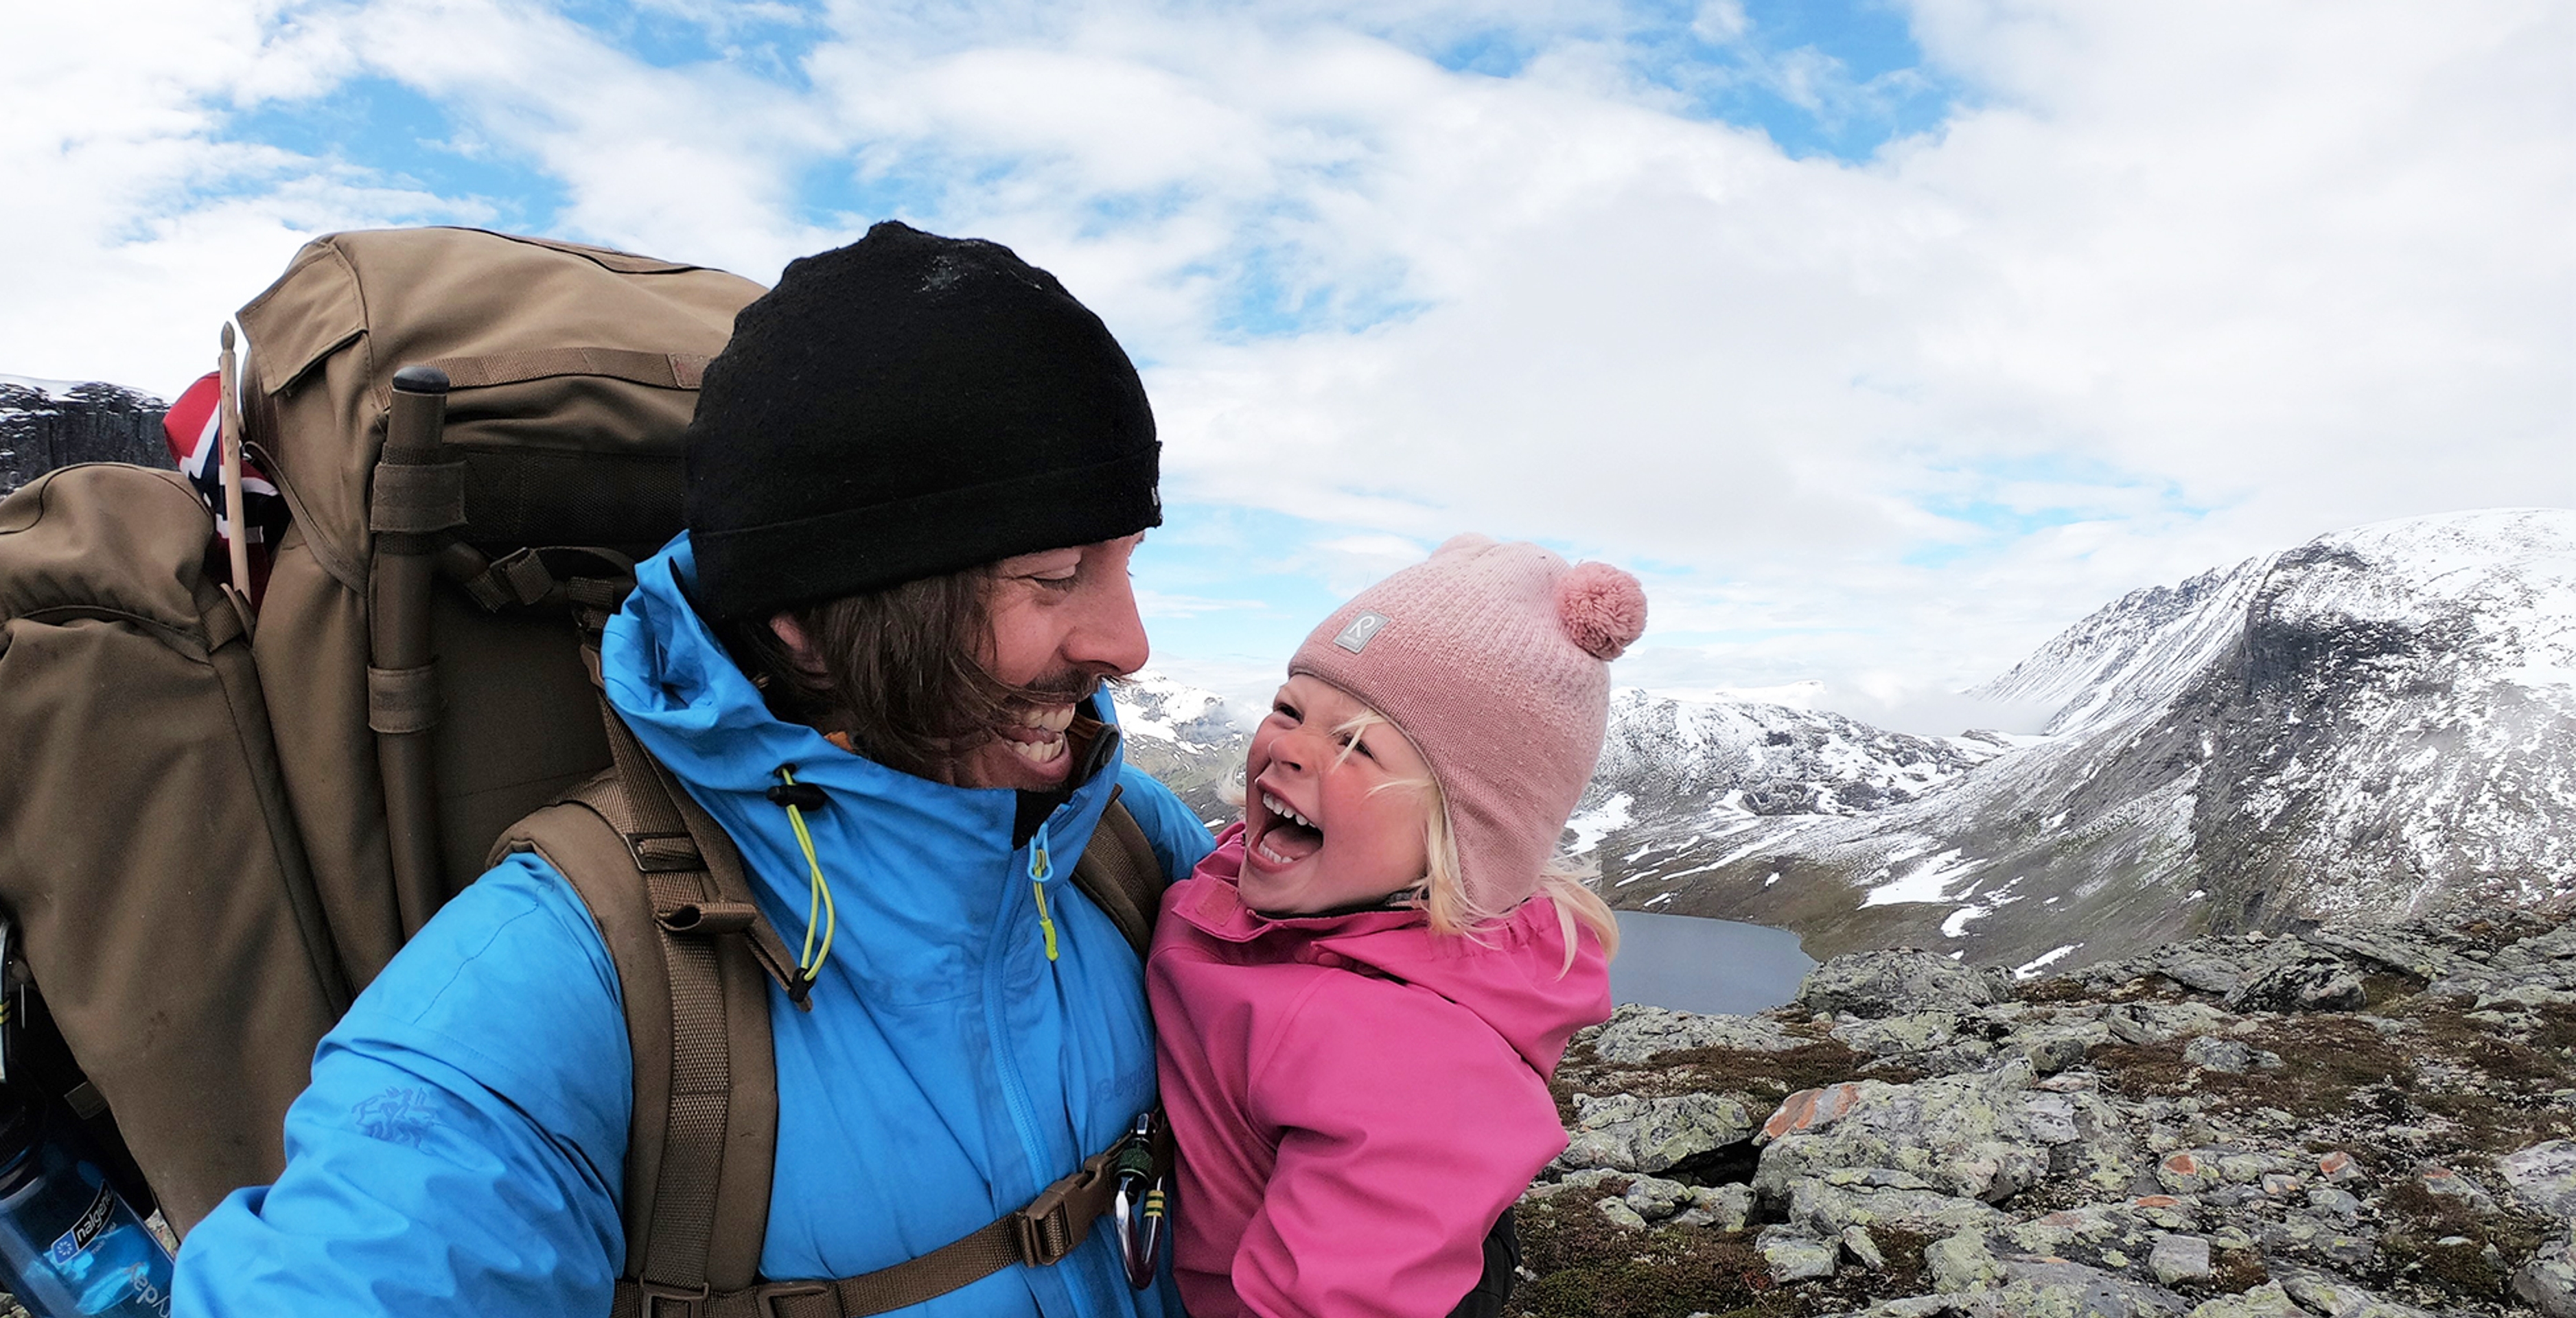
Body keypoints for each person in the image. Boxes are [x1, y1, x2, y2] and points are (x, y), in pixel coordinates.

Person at [170, 222, 1216, 1316]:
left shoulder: (1119, 840)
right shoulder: (560, 971)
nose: (1128, 642)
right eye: (1054, 574)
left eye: (1127, 562)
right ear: (808, 617)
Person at [1146, 535, 1641, 1317]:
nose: (1291, 750)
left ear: (1461, 835)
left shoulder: (1412, 1057)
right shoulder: (1264, 885)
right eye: (1289, 709)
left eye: (1356, 746)